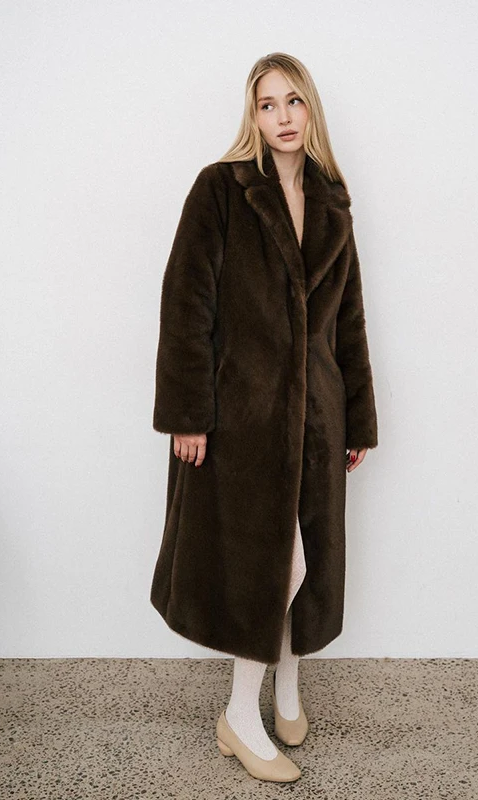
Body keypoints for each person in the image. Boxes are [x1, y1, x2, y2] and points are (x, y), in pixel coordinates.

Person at [149, 52, 379, 782]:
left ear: (311, 110)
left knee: (304, 558)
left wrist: (357, 419)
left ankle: (287, 689)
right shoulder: (220, 189)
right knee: (272, 562)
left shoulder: (333, 200)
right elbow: (186, 303)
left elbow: (349, 319)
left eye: (294, 101)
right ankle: (239, 717)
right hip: (242, 417)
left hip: (317, 417)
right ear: (252, 115)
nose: (282, 116)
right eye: (267, 104)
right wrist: (188, 413)